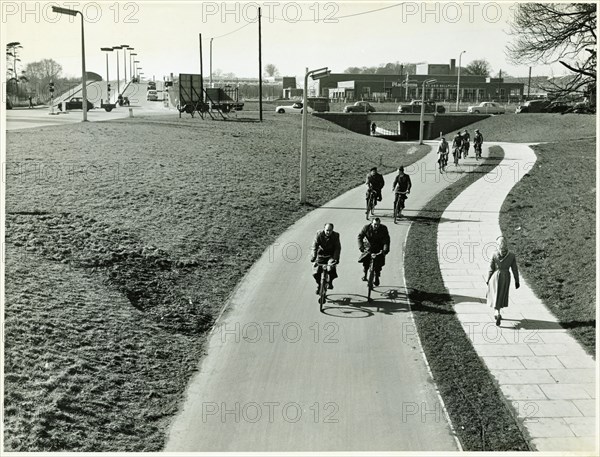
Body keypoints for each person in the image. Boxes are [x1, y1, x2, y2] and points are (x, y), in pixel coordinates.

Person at [486, 236, 520, 326]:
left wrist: (488, 279)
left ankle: (497, 312)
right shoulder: (511, 255)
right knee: (501, 293)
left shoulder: (494, 254)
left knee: (494, 294)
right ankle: (497, 311)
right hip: (506, 276)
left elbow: (491, 268)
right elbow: (515, 269)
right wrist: (517, 281)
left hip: (495, 276)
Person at [357, 217, 390, 286]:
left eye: (378, 224)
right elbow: (360, 237)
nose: (376, 226)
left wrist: (385, 250)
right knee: (366, 261)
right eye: (375, 224)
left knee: (379, 263)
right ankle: (365, 274)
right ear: (371, 223)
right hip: (369, 247)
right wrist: (361, 247)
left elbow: (386, 240)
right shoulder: (366, 228)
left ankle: (377, 277)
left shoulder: (384, 229)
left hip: (379, 248)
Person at [310, 223, 341, 294]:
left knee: (331, 269)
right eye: (327, 230)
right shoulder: (319, 234)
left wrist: (335, 259)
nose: (328, 232)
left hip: (330, 256)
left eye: (330, 230)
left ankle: (330, 282)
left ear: (332, 230)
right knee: (316, 273)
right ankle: (319, 285)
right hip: (320, 255)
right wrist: (314, 257)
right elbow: (315, 246)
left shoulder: (336, 235)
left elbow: (337, 248)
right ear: (324, 229)